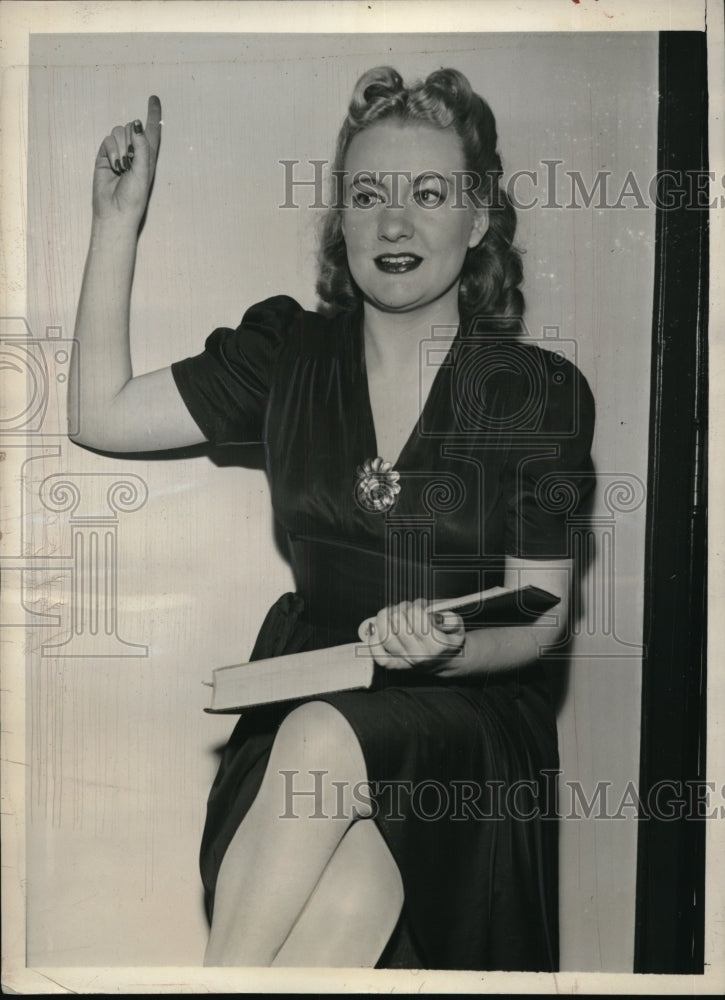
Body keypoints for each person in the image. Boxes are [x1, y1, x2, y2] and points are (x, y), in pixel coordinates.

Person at [69, 66, 595, 970]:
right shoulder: (287, 355)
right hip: (304, 690)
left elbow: (539, 617)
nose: (394, 224)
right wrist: (116, 221)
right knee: (340, 906)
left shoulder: (536, 393)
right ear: (339, 222)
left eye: (428, 194)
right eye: (366, 195)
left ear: (477, 221)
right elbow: (100, 414)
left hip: (462, 720)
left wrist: (443, 644)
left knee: (321, 735)